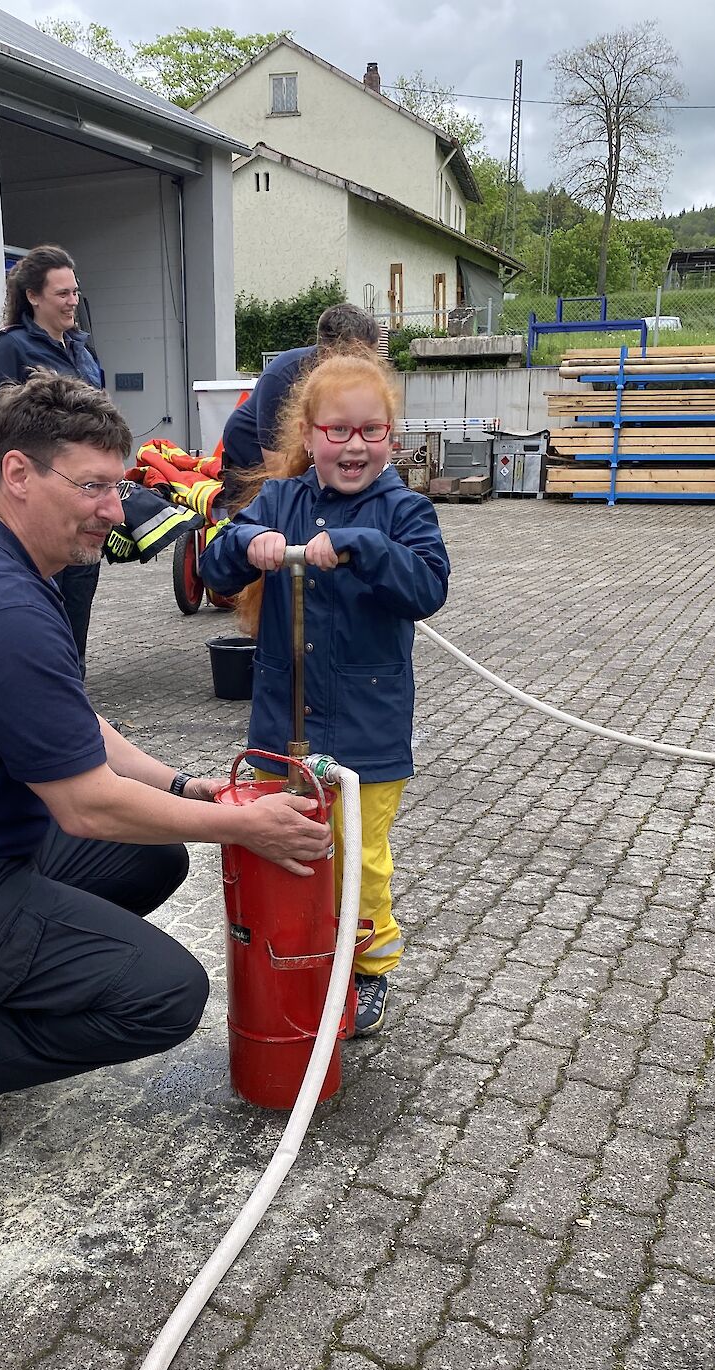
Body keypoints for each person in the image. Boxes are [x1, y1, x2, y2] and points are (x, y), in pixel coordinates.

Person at [0, 370, 331, 1165]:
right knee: (165, 996)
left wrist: (182, 788)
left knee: (151, 852)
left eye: (119, 486)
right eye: (93, 486)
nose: (113, 510)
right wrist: (241, 824)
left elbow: (77, 728)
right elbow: (87, 805)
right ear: (18, 474)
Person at [200, 352, 450, 1038]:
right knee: (284, 847)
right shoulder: (281, 500)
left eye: (371, 431)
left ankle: (368, 971)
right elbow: (216, 554)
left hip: (368, 733)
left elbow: (429, 587)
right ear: (307, 437)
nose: (354, 445)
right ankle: (298, 953)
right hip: (282, 728)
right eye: (337, 431)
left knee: (359, 862)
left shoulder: (405, 511)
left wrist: (363, 546)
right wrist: (247, 543)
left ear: (391, 439)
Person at [0, 245, 104, 674]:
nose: (72, 301)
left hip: (83, 507)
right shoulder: (10, 351)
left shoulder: (82, 350)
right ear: (33, 296)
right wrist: (20, 496)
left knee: (77, 607)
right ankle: (36, 688)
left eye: (75, 292)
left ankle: (70, 687)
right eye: (62, 293)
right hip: (41, 514)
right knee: (41, 608)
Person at [219, 303, 381, 493]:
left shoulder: (355, 380)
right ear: (332, 351)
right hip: (250, 456)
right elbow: (278, 470)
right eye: (363, 355)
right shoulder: (282, 377)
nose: (371, 363)